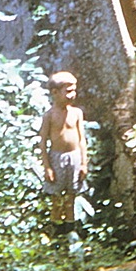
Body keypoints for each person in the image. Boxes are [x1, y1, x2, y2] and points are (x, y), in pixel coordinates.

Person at [39, 70, 88, 231]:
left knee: (71, 197)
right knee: (56, 197)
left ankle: (70, 230)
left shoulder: (77, 113)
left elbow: (81, 139)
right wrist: (47, 167)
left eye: (74, 90)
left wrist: (83, 163)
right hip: (57, 158)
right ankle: (56, 232)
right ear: (55, 92)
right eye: (68, 91)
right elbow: (43, 142)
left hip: (74, 158)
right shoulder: (49, 116)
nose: (72, 95)